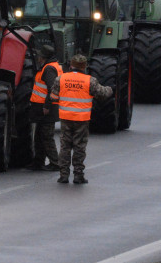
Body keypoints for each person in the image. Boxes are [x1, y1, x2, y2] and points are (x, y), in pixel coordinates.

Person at [48, 53, 113, 184]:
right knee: (79, 147)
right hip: (82, 119)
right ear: (84, 67)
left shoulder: (61, 79)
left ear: (71, 65)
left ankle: (64, 175)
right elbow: (102, 94)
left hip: (65, 118)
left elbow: (53, 98)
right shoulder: (90, 81)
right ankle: (78, 175)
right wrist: (110, 89)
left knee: (65, 146)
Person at [28, 44, 62, 171]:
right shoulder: (50, 66)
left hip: (47, 109)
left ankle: (55, 163)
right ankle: (38, 162)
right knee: (39, 136)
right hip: (43, 108)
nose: (38, 58)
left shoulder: (48, 69)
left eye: (40, 56)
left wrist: (47, 106)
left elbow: (52, 89)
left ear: (43, 57)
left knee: (46, 137)